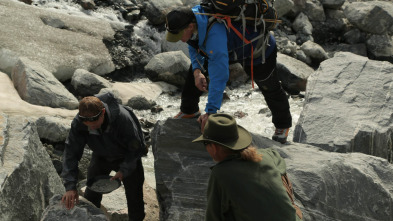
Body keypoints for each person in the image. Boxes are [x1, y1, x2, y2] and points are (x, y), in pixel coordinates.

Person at [166, 5, 292, 144]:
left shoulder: (214, 34)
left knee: (269, 87)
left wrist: (210, 112)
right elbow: (193, 44)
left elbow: (219, 76)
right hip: (229, 48)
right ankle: (189, 110)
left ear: (190, 26)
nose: (179, 40)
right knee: (195, 73)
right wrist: (197, 71)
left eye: (178, 35)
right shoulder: (193, 19)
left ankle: (282, 124)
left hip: (256, 50)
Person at [192, 113, 302, 221]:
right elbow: (280, 163)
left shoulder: (220, 173)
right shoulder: (268, 154)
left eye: (205, 143)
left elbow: (214, 216)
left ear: (214, 148)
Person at [61, 92, 146, 221]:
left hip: (127, 156)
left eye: (95, 123)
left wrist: (124, 170)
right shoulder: (80, 123)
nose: (91, 127)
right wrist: (70, 186)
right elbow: (71, 153)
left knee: (135, 197)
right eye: (88, 125)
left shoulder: (122, 118)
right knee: (91, 194)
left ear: (103, 112)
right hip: (101, 156)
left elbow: (136, 147)